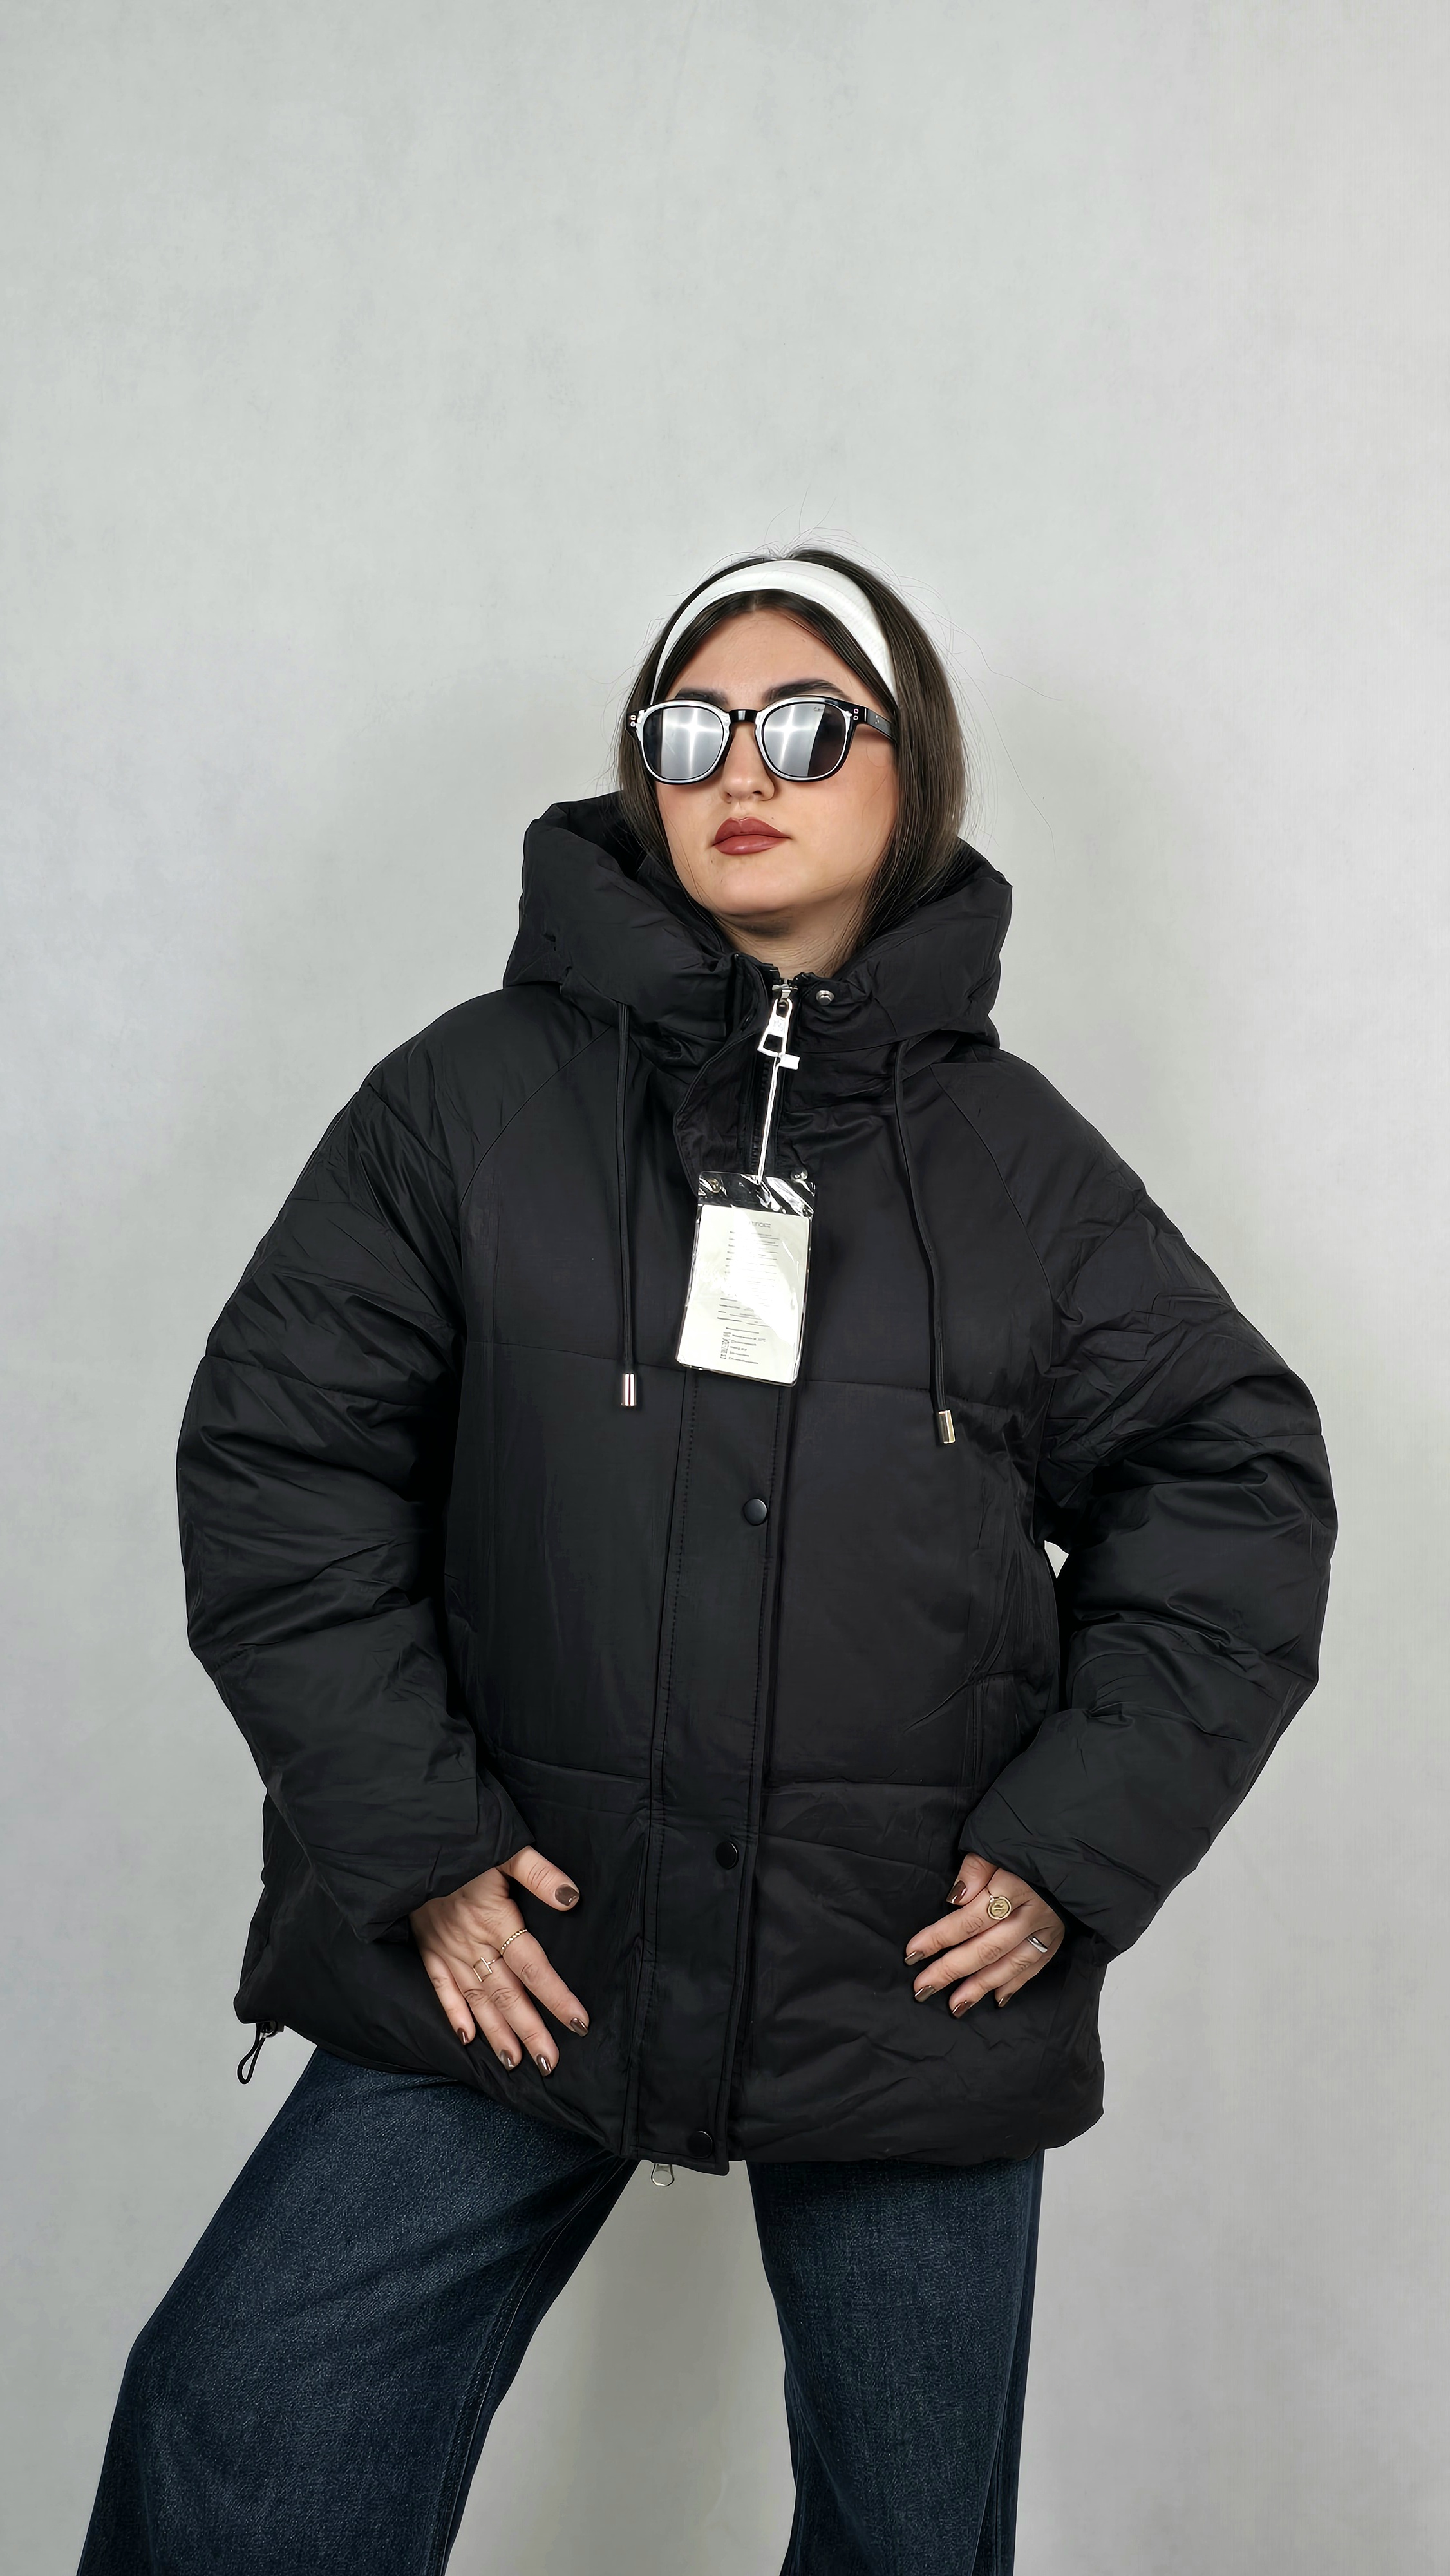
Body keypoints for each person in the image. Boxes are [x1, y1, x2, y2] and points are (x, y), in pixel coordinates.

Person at [79, 549, 1335, 2575]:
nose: (740, 769)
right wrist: (418, 1843)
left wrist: (1070, 1845)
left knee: (907, 2539)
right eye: (689, 728)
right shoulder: (466, 1105)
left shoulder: (1017, 1172)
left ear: (911, 770)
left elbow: (1234, 1489)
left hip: (893, 1965)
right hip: (524, 1938)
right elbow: (280, 1468)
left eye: (808, 724)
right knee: (245, 2423)